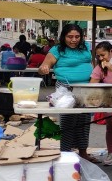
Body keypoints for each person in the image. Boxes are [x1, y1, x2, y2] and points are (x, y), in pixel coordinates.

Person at [38, 24, 97, 162]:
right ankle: (65, 152)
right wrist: (44, 68)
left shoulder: (87, 48)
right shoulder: (57, 50)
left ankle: (83, 152)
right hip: (65, 89)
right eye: (70, 37)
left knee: (84, 121)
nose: (74, 40)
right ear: (63, 37)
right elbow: (42, 67)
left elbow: (94, 65)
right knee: (68, 121)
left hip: (85, 89)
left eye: (77, 37)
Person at [90, 41, 112, 166]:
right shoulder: (99, 67)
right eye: (99, 56)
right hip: (108, 100)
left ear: (111, 52)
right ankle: (111, 152)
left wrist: (111, 69)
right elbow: (92, 84)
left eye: (103, 55)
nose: (101, 58)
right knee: (110, 127)